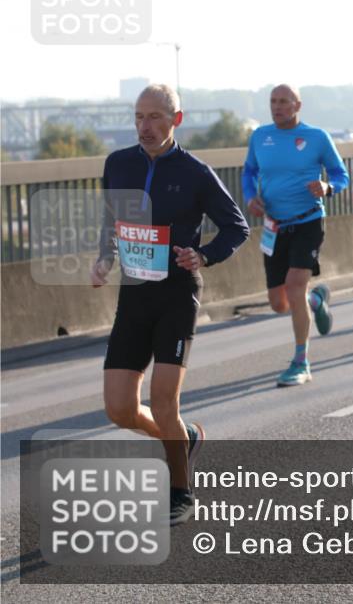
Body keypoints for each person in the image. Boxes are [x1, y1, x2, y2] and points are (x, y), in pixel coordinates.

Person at [91, 84, 250, 525]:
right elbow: (112, 218)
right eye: (139, 117)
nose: (146, 126)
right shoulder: (117, 163)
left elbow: (237, 227)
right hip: (135, 293)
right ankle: (182, 439)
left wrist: (203, 255)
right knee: (119, 408)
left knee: (164, 402)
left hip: (178, 294)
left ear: (176, 120)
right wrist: (104, 257)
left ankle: (180, 491)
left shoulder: (195, 172)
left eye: (156, 117)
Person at [242, 84, 350, 386]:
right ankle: (315, 300)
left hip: (308, 221)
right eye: (273, 101)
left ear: (297, 105)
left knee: (293, 285)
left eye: (283, 101)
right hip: (274, 226)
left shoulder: (317, 137)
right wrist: (251, 197)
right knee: (279, 302)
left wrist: (328, 187)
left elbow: (342, 175)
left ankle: (301, 361)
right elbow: (248, 171)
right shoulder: (260, 136)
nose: (277, 107)